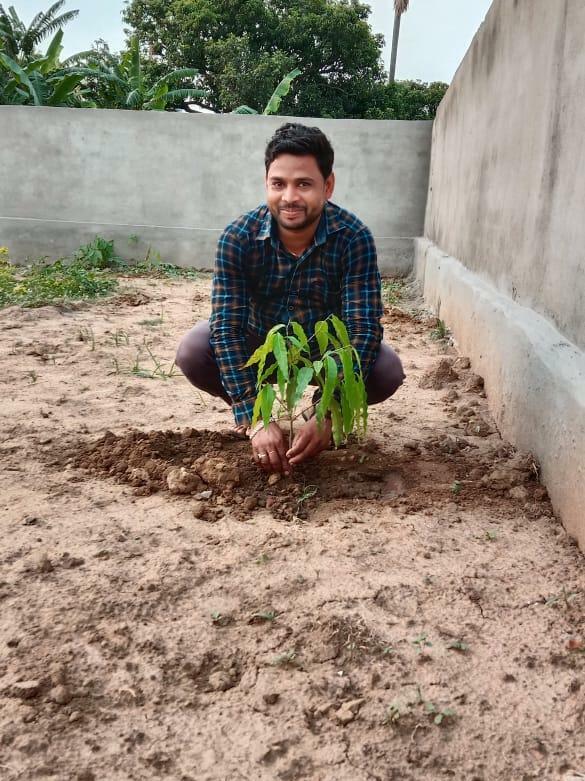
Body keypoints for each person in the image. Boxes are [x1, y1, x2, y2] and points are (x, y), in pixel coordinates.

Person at [176, 122, 404, 475]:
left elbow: (363, 328)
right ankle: (256, 419)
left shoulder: (353, 237)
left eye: (304, 184)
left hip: (324, 352)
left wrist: (329, 409)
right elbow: (227, 327)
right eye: (278, 184)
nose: (289, 197)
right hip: (259, 344)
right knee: (194, 351)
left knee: (385, 371)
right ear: (266, 183)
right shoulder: (239, 238)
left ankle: (316, 418)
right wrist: (256, 415)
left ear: (328, 186)